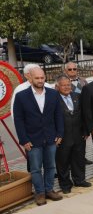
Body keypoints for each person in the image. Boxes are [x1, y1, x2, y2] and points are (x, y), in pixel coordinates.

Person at [13, 68, 64, 205]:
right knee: (35, 169)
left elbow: (58, 115)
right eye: (37, 78)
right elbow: (19, 120)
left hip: (51, 138)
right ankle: (40, 193)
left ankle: (49, 190)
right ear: (30, 78)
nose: (40, 81)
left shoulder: (53, 94)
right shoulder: (21, 96)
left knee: (50, 166)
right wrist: (23, 140)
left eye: (42, 78)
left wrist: (60, 133)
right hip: (32, 139)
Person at [54, 75, 90, 194]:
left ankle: (79, 180)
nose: (66, 87)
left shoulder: (77, 96)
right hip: (62, 138)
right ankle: (65, 184)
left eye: (68, 85)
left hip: (78, 135)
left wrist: (86, 131)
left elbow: (84, 115)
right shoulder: (53, 100)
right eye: (63, 85)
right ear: (57, 87)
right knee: (63, 162)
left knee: (79, 159)